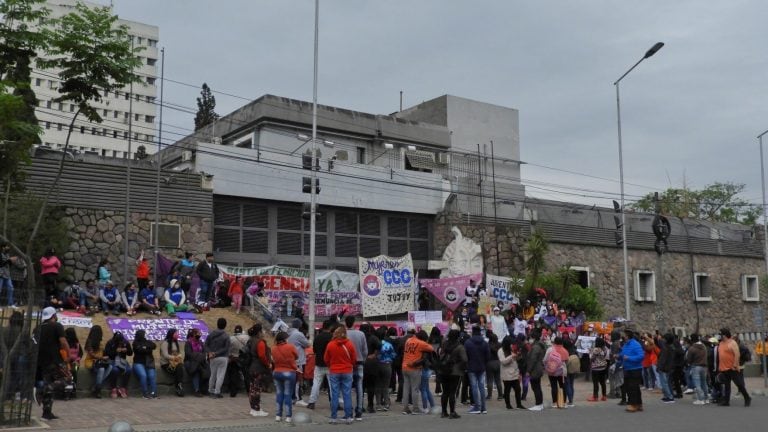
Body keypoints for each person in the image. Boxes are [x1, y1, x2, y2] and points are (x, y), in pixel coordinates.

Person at [34, 307, 69, 420]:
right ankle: (40, 391)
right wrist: (68, 355)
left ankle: (46, 413)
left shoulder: (37, 328)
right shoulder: (57, 326)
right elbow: (63, 342)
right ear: (53, 315)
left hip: (41, 361)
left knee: (49, 385)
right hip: (55, 360)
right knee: (66, 379)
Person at [325, 326, 356, 424]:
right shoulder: (350, 344)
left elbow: (326, 359)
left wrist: (331, 365)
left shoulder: (330, 345)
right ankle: (348, 417)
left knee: (335, 395)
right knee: (347, 394)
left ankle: (333, 418)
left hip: (334, 371)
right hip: (347, 371)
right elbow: (354, 359)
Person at [716, 327, 751, 407]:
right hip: (724, 368)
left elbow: (737, 354)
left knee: (739, 384)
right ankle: (726, 401)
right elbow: (721, 355)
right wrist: (720, 366)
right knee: (727, 385)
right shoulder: (721, 343)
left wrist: (735, 365)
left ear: (724, 335)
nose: (719, 336)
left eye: (720, 334)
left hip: (732, 368)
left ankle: (747, 397)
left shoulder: (732, 343)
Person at [438, 329, 467, 419]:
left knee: (445, 392)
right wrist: (462, 367)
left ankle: (443, 412)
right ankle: (452, 412)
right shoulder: (460, 347)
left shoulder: (444, 344)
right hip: (455, 371)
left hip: (443, 370)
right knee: (452, 392)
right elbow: (465, 359)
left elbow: (440, 355)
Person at [308, 319, 335, 410]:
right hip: (330, 364)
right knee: (332, 385)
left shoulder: (317, 337)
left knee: (316, 383)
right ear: (330, 327)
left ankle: (312, 402)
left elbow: (314, 350)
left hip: (319, 363)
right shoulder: (332, 337)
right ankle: (334, 403)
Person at [272, 331, 298, 424]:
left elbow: (273, 359)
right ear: (284, 339)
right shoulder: (290, 347)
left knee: (279, 393)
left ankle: (278, 415)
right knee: (288, 394)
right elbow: (296, 356)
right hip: (288, 372)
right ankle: (288, 416)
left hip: (276, 372)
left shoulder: (273, 348)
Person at [246, 324, 272, 417]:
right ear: (259, 332)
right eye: (262, 331)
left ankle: (253, 408)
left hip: (251, 367)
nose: (263, 332)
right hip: (259, 368)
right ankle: (256, 408)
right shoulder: (260, 342)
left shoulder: (250, 341)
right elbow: (262, 356)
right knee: (257, 389)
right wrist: (268, 364)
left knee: (252, 388)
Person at [344, 316, 368, 420]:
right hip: (359, 363)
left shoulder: (343, 334)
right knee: (359, 387)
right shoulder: (361, 334)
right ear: (354, 323)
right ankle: (359, 411)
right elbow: (365, 350)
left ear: (345, 323)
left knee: (347, 388)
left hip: (346, 364)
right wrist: (363, 359)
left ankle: (348, 412)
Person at [464, 325, 490, 414]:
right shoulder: (485, 343)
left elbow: (465, 356)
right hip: (482, 367)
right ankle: (484, 407)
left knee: (474, 387)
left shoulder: (467, 343)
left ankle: (477, 407)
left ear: (472, 332)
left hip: (471, 367)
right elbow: (488, 356)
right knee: (482, 387)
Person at [205, 317, 231, 398]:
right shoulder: (226, 336)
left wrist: (210, 352)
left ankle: (210, 390)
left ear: (217, 324)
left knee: (212, 374)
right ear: (225, 325)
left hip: (212, 357)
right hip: (223, 357)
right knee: (220, 375)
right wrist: (216, 353)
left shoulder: (211, 334)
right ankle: (217, 392)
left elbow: (205, 345)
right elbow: (226, 348)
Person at [83, 325, 111, 398]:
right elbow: (92, 354)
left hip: (99, 361)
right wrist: (102, 358)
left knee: (110, 366)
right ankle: (98, 390)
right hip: (91, 362)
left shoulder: (100, 341)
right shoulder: (89, 342)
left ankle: (95, 386)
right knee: (101, 370)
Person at [287, 318, 310, 406]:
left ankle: (292, 397)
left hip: (290, 359)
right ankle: (297, 398)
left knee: (292, 380)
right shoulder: (298, 334)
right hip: (299, 360)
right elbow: (307, 344)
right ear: (299, 325)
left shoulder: (288, 333)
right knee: (298, 380)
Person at [621, 328, 645, 412]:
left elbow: (641, 356)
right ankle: (639, 404)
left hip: (635, 369)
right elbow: (623, 354)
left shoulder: (636, 344)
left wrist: (629, 358)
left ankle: (633, 404)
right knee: (631, 387)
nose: (622, 336)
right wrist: (618, 356)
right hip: (627, 369)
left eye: (624, 335)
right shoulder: (625, 344)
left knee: (633, 387)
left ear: (627, 336)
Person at [104, 331, 133, 398]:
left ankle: (123, 388)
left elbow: (130, 353)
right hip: (112, 360)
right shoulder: (110, 342)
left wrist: (127, 350)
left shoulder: (125, 342)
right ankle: (113, 388)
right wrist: (115, 351)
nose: (120, 343)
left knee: (128, 370)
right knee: (115, 370)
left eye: (121, 341)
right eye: (118, 342)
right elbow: (106, 354)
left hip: (122, 360)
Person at [499, 335, 523, 410]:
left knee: (518, 389)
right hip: (507, 374)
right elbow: (503, 361)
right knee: (507, 390)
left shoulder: (511, 348)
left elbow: (516, 361)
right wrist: (511, 356)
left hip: (514, 373)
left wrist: (518, 356)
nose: (511, 345)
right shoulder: (500, 351)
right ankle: (508, 405)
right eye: (510, 343)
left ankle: (519, 404)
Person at [132, 329, 158, 399]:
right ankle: (145, 393)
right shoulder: (135, 342)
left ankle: (153, 393)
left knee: (152, 376)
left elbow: (154, 346)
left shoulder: (147, 341)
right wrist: (147, 348)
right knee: (143, 376)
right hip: (138, 363)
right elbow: (139, 350)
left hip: (149, 362)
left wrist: (145, 347)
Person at [543, 336, 568, 409]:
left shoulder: (550, 349)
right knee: (563, 386)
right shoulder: (564, 350)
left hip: (552, 371)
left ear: (554, 342)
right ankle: (564, 403)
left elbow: (545, 360)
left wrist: (547, 367)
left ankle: (554, 403)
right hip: (562, 371)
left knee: (553, 386)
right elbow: (567, 360)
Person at [159, 328, 185, 397]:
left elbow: (180, 352)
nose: (178, 334)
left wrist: (179, 356)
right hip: (166, 363)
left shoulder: (176, 343)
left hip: (175, 362)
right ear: (171, 334)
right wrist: (175, 358)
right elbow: (165, 355)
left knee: (179, 367)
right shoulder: (165, 343)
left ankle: (179, 385)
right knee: (179, 368)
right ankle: (179, 386)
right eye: (176, 333)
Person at [685, 333, 709, 405]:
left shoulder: (692, 348)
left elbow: (689, 359)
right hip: (704, 366)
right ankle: (706, 398)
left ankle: (700, 399)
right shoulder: (704, 346)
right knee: (704, 383)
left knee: (697, 383)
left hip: (696, 366)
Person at [415, 330, 435, 413]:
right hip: (428, 369)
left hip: (423, 369)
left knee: (423, 389)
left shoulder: (422, 346)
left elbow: (423, 359)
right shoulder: (427, 345)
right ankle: (433, 406)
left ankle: (425, 407)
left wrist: (414, 363)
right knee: (426, 389)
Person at [525, 328, 546, 411]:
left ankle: (538, 404)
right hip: (539, 368)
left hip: (535, 369)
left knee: (535, 387)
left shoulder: (536, 347)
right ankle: (540, 404)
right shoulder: (541, 345)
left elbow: (532, 359)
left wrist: (528, 371)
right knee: (538, 386)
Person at [376, 326, 396, 411]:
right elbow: (393, 355)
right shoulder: (388, 345)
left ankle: (378, 404)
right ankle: (387, 403)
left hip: (377, 365)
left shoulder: (375, 344)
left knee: (378, 385)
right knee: (386, 385)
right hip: (387, 365)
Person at [226, 325, 250, 397]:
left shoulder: (231, 338)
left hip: (233, 358)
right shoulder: (247, 337)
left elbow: (228, 349)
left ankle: (233, 392)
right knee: (246, 375)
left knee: (234, 376)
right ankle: (249, 391)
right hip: (243, 358)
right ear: (241, 330)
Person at [184, 328, 208, 396]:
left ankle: (204, 389)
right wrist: (198, 356)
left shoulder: (200, 342)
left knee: (206, 371)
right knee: (196, 371)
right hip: (190, 362)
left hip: (200, 361)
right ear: (193, 334)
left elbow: (204, 352)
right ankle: (196, 390)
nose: (199, 335)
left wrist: (201, 357)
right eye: (198, 333)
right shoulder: (188, 342)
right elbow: (188, 353)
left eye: (200, 333)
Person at [588, 337, 610, 402]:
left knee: (595, 383)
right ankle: (604, 396)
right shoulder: (605, 348)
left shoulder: (596, 349)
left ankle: (595, 397)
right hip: (603, 367)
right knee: (603, 382)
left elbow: (592, 358)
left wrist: (589, 353)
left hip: (596, 368)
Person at [656, 333, 676, 403]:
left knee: (664, 383)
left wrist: (659, 367)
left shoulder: (665, 348)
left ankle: (669, 397)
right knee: (666, 382)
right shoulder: (671, 347)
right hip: (668, 367)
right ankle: (666, 396)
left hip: (664, 367)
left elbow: (662, 359)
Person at [64, 327, 82, 400]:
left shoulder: (77, 344)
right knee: (69, 374)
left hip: (75, 363)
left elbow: (80, 354)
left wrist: (76, 360)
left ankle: (72, 391)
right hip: (66, 363)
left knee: (74, 372)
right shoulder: (65, 344)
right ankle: (68, 393)